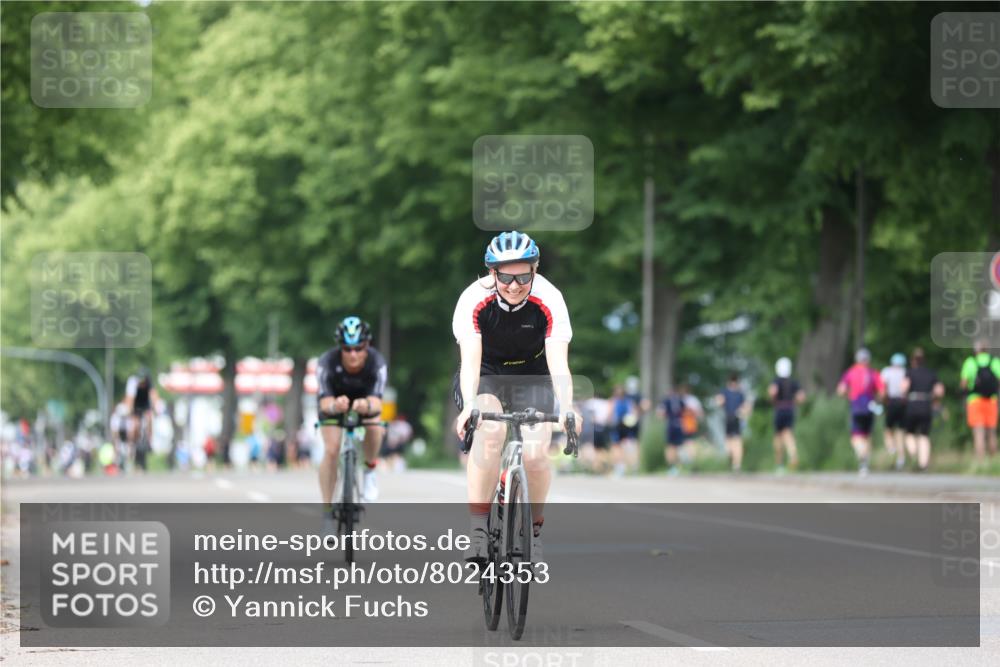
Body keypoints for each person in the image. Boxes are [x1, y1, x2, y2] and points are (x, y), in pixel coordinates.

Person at [453, 231, 577, 565]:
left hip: (533, 376)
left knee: (535, 455)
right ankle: (478, 530)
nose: (514, 286)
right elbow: (470, 361)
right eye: (506, 277)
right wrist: (470, 405)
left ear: (535, 270)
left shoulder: (550, 298)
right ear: (492, 273)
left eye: (523, 277)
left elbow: (559, 363)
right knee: (491, 432)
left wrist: (567, 408)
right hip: (486, 374)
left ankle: (533, 531)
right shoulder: (473, 299)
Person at [317, 317, 388, 508]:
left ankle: (369, 470)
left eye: (358, 348)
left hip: (365, 400)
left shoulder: (377, 362)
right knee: (331, 450)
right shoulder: (327, 362)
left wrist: (367, 405)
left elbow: (377, 404)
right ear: (340, 348)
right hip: (335, 400)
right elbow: (324, 403)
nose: (353, 354)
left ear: (367, 345)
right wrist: (335, 406)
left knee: (374, 425)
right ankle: (327, 510)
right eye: (347, 349)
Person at [837, 348, 886, 476]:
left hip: (856, 407)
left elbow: (841, 390)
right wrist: (877, 401)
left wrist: (848, 395)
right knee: (867, 435)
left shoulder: (851, 372)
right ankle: (865, 463)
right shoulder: (873, 373)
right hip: (870, 406)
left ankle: (862, 458)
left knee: (856, 436)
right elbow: (882, 392)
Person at [901, 348, 944, 471]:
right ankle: (923, 463)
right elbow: (940, 391)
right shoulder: (931, 373)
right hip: (926, 405)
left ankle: (914, 452)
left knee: (909, 433)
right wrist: (934, 399)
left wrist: (904, 398)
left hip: (913, 405)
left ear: (913, 360)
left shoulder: (909, 372)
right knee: (924, 435)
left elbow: (903, 388)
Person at [959, 339, 1000, 460]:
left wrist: (963, 393)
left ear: (976, 350)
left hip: (975, 401)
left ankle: (980, 460)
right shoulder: (995, 361)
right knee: (991, 431)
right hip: (991, 401)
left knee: (978, 431)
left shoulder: (970, 362)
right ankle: (994, 461)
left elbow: (963, 383)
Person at [768, 357, 805, 472]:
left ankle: (779, 464)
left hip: (779, 409)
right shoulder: (793, 382)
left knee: (778, 437)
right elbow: (801, 397)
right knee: (788, 434)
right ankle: (793, 454)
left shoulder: (776, 381)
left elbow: (772, 392)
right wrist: (795, 402)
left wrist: (773, 400)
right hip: (790, 409)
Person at [124, 367, 159, 472]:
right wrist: (129, 411)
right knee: (134, 424)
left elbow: (153, 395)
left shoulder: (149, 382)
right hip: (136, 405)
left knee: (149, 418)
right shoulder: (132, 382)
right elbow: (129, 398)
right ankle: (131, 445)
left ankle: (149, 440)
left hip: (145, 405)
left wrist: (156, 408)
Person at [881, 353, 908, 470]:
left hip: (891, 402)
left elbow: (883, 389)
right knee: (901, 432)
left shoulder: (887, 371)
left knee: (888, 429)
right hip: (903, 403)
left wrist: (883, 401)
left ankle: (891, 448)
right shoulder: (905, 372)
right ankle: (901, 457)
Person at [716, 374, 748, 471]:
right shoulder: (737, 393)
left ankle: (736, 463)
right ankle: (735, 462)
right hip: (731, 418)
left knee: (735, 441)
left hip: (733, 418)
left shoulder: (730, 392)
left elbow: (719, 402)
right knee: (733, 441)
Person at [609, 385, 640, 476]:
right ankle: (633, 467)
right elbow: (635, 413)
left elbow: (610, 415)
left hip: (618, 426)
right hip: (628, 426)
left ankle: (620, 467)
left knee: (617, 447)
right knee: (629, 446)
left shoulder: (613, 401)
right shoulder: (629, 401)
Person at [658, 386, 688, 475]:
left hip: (671, 426)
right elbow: (685, 412)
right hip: (679, 425)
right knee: (679, 446)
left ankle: (672, 467)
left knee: (670, 447)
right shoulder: (681, 401)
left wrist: (665, 417)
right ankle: (680, 466)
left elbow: (661, 414)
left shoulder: (666, 401)